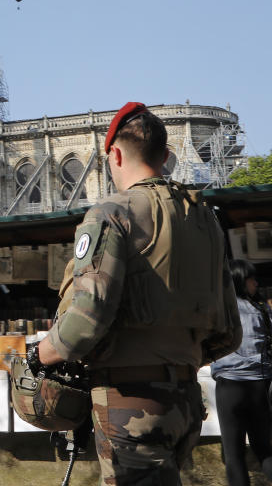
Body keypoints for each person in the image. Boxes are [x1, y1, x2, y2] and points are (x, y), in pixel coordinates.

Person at [29, 102, 242, 485]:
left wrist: (38, 356)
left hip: (130, 402)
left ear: (114, 153)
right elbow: (230, 333)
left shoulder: (112, 213)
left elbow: (84, 323)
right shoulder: (205, 219)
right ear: (165, 156)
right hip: (186, 400)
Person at [211, 259, 272, 485]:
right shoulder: (262, 309)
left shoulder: (220, 309)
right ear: (240, 280)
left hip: (230, 387)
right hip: (261, 387)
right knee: (264, 449)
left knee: (233, 454)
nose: (256, 283)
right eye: (251, 279)